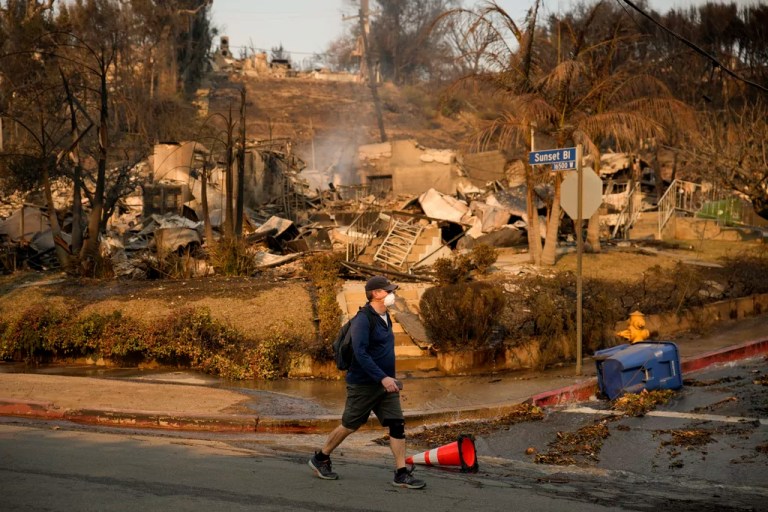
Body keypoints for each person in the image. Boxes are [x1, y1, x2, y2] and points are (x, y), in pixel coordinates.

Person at [308, 275, 426, 489]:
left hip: (386, 385)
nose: (392, 294)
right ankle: (321, 457)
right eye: (388, 291)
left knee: (396, 424)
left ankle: (400, 473)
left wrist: (390, 379)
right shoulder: (363, 319)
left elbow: (382, 351)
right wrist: (382, 377)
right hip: (363, 384)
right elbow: (360, 353)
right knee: (349, 425)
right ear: (376, 294)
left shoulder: (386, 316)